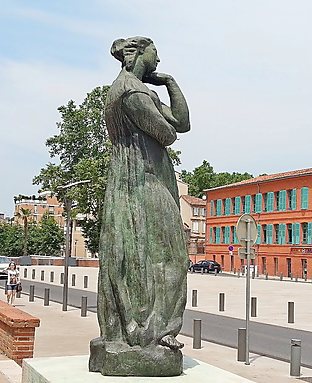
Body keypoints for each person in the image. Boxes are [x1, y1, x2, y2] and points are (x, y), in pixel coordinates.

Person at [90, 37, 190, 376]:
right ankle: (156, 334)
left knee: (130, 257)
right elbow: (169, 133)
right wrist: (158, 94)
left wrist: (171, 83)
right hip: (145, 184)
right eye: (155, 52)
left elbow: (183, 120)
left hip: (128, 183)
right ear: (140, 55)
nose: (159, 58)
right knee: (171, 257)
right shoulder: (133, 93)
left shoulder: (132, 90)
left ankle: (127, 332)